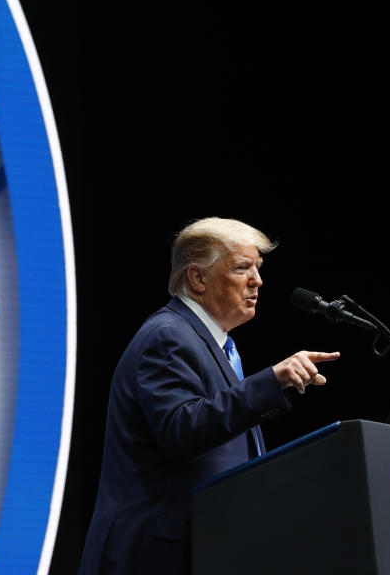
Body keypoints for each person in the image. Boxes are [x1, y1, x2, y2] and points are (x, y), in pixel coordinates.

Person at [78, 217, 339, 575]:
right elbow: (181, 428)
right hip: (154, 554)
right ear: (197, 278)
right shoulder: (168, 336)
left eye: (258, 269)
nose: (257, 281)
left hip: (204, 548)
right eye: (242, 268)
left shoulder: (216, 346)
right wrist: (271, 382)